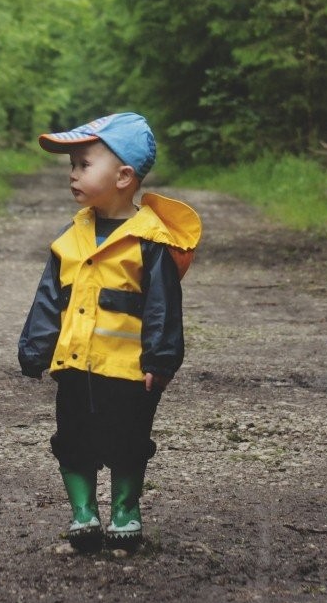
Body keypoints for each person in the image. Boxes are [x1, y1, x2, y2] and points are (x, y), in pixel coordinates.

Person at [17, 112, 201, 552]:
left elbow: (162, 306)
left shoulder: (150, 241)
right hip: (75, 364)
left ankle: (125, 510)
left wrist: (161, 359)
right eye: (72, 166)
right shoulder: (70, 238)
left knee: (129, 439)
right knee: (72, 438)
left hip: (129, 371)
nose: (73, 175)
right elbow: (50, 297)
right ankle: (83, 513)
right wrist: (36, 347)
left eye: (83, 164)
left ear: (123, 176)